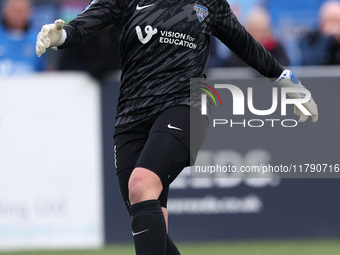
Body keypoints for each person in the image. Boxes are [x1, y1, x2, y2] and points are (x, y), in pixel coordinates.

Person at [36, 0, 318, 254]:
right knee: (145, 214)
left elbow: (244, 44)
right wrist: (60, 36)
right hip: (131, 116)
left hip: (187, 105)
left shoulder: (209, 3)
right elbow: (87, 23)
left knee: (140, 184)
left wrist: (285, 80)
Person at [0, 0, 46, 75]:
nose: (18, 15)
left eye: (22, 10)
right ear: (4, 10)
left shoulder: (37, 40)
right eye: (14, 10)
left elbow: (42, 73)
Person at [300, 0, 340, 65]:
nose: (335, 27)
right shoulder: (310, 38)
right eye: (331, 21)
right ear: (321, 22)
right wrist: (327, 38)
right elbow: (310, 63)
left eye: (338, 21)